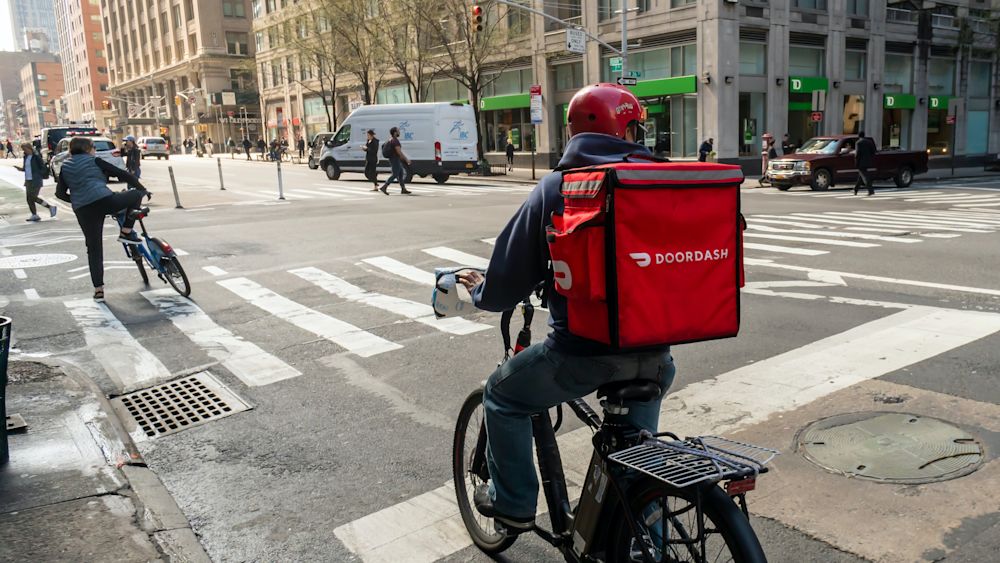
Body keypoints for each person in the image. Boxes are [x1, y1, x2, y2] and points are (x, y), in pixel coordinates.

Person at [455, 83, 675, 531]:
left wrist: (479, 290)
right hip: (657, 357)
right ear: (628, 129)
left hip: (582, 357)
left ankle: (513, 504)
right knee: (638, 461)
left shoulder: (559, 187)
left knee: (502, 396)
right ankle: (646, 538)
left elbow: (502, 286)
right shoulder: (662, 182)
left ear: (575, 129)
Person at [55, 137, 148, 302]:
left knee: (94, 249)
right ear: (88, 149)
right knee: (135, 195)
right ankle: (126, 231)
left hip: (83, 210)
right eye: (93, 147)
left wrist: (78, 200)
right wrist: (143, 190)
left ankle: (98, 290)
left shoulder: (65, 166)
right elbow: (123, 174)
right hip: (104, 200)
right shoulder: (95, 161)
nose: (95, 150)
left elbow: (60, 194)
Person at [14, 142, 57, 222]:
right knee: (29, 199)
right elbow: (26, 168)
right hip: (28, 180)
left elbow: (43, 167)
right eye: (23, 149)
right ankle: (34, 214)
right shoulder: (26, 157)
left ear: (29, 148)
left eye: (25, 149)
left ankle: (50, 207)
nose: (24, 151)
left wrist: (38, 174)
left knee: (33, 197)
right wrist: (20, 169)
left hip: (36, 180)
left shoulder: (36, 157)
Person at [378, 127, 412, 195]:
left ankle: (403, 189)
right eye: (398, 131)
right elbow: (399, 152)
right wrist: (406, 159)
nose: (399, 132)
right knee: (395, 174)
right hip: (394, 159)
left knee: (401, 173)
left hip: (394, 159)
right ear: (395, 133)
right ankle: (384, 187)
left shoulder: (390, 140)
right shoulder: (395, 141)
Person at [854, 131, 877, 196]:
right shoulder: (869, 142)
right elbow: (873, 151)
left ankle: (871, 190)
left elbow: (857, 154)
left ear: (859, 136)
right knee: (861, 176)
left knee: (865, 177)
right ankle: (855, 189)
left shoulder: (858, 143)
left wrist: (856, 162)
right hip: (868, 161)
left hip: (861, 162)